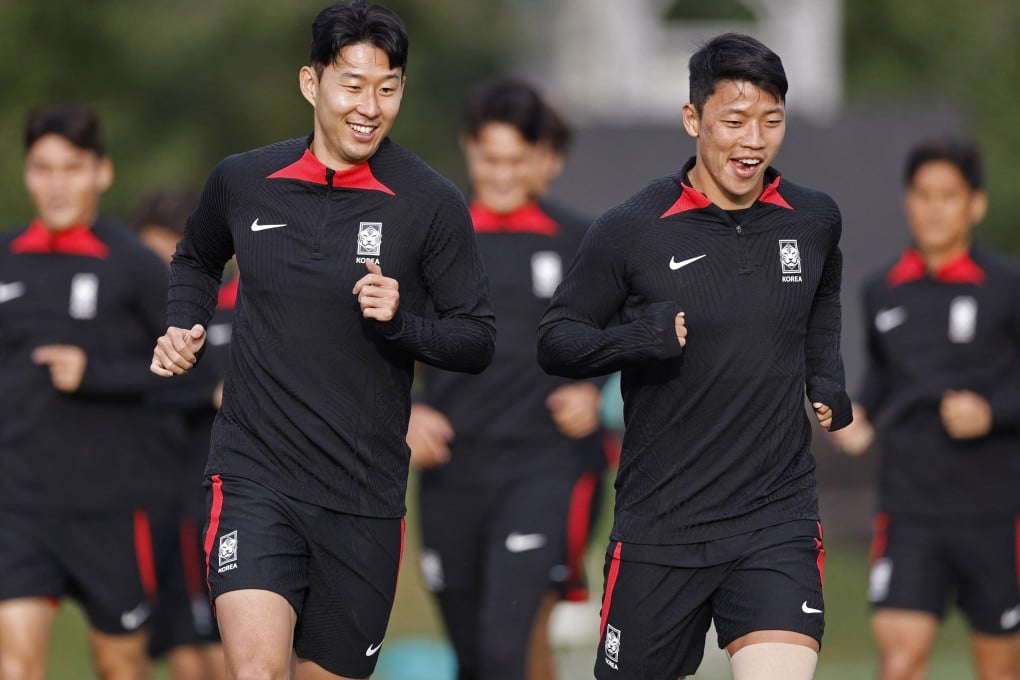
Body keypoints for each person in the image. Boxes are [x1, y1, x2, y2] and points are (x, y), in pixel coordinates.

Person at [148, 2, 496, 679]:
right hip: (255, 476)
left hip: (362, 498)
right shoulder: (244, 181)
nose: (370, 106)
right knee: (257, 671)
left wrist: (401, 323)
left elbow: (476, 339)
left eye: (388, 87)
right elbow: (195, 257)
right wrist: (182, 323)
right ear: (311, 83)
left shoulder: (429, 202)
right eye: (353, 84)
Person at [536, 33, 853, 680]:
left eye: (771, 121)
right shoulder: (631, 229)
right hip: (661, 526)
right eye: (734, 121)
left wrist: (826, 375)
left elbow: (822, 299)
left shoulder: (814, 219)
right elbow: (557, 340)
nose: (753, 141)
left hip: (775, 518)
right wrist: (635, 341)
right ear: (693, 120)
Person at [406, 77, 599, 680]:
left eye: (518, 160)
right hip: (451, 474)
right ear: (468, 148)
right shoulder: (430, 236)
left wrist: (598, 391)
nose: (505, 174)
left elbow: (630, 339)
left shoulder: (580, 242)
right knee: (473, 660)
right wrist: (405, 411)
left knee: (505, 650)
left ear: (541, 158)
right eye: (491, 159)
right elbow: (380, 340)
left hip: (543, 470)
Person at [828, 138, 1020, 680]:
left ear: (974, 205)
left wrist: (992, 411)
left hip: (995, 513)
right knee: (900, 660)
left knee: (999, 668)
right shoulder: (881, 290)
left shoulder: (1007, 287)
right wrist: (856, 417)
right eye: (923, 195)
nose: (934, 208)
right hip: (909, 508)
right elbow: (884, 380)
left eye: (948, 195)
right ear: (906, 201)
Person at [0, 105, 178, 680]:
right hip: (18, 506)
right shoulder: (4, 258)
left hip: (111, 511)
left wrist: (95, 373)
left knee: (120, 666)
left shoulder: (134, 266)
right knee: (15, 663)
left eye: (71, 169)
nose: (55, 185)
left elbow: (193, 374)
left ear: (102, 172)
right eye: (42, 169)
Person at [133, 187, 230, 680]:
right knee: (179, 650)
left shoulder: (240, 307)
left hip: (213, 501)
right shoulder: (134, 319)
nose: (156, 274)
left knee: (221, 649)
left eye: (164, 259)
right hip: (152, 501)